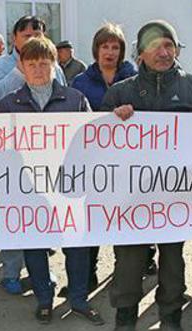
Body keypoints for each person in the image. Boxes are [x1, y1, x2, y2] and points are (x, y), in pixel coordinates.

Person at [101, 20, 192, 331]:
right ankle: (125, 318)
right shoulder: (119, 93)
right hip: (130, 201)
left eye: (169, 45)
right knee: (128, 261)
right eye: (155, 45)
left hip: (177, 200)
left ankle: (170, 318)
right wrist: (112, 121)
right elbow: (98, 150)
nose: (163, 52)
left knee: (173, 262)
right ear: (140, 53)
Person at [0, 36, 103, 326]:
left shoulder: (75, 99)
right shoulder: (8, 105)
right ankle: (44, 297)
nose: (39, 70)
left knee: (77, 244)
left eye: (44, 63)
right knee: (34, 244)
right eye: (32, 64)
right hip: (29, 190)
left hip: (69, 187)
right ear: (22, 66)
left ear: (54, 65)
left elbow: (92, 141)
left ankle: (78, 298)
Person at [0, 15, 66, 295]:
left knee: (43, 217)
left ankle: (41, 271)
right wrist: (19, 71)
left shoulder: (52, 63)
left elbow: (62, 98)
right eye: (25, 34)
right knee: (16, 218)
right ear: (14, 38)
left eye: (37, 32)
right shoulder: (0, 66)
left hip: (47, 159)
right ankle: (11, 272)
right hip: (14, 157)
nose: (31, 37)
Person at [70, 22, 138, 294]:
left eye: (115, 47)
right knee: (92, 220)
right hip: (92, 163)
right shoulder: (81, 81)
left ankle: (124, 276)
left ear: (121, 51)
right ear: (96, 49)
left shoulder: (134, 78)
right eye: (104, 46)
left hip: (125, 164)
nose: (109, 52)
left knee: (124, 220)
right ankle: (89, 274)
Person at [0, 15, 67, 113]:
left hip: (50, 125)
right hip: (14, 125)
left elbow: (65, 99)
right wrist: (18, 73)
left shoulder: (54, 66)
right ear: (14, 38)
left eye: (37, 36)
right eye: (27, 36)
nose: (33, 40)